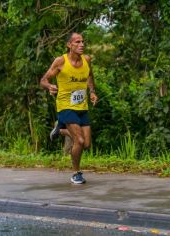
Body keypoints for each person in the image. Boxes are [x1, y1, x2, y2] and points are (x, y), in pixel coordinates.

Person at [40, 32, 98, 184]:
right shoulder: (61, 61)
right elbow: (43, 80)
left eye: (83, 42)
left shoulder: (87, 60)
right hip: (65, 106)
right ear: (69, 45)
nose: (82, 45)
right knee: (78, 140)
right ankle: (76, 173)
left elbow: (90, 76)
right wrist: (50, 86)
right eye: (77, 42)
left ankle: (60, 130)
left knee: (86, 144)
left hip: (82, 106)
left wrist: (92, 92)